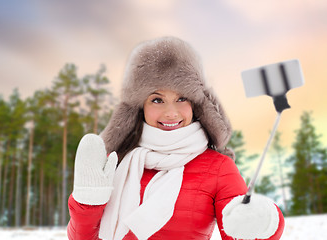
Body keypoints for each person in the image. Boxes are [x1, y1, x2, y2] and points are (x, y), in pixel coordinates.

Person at [67, 36, 285, 240]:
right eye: (157, 100)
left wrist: (260, 221)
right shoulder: (115, 163)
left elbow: (240, 232)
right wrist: (87, 204)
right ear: (139, 107)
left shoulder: (219, 168)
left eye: (182, 98)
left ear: (196, 104)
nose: (171, 113)